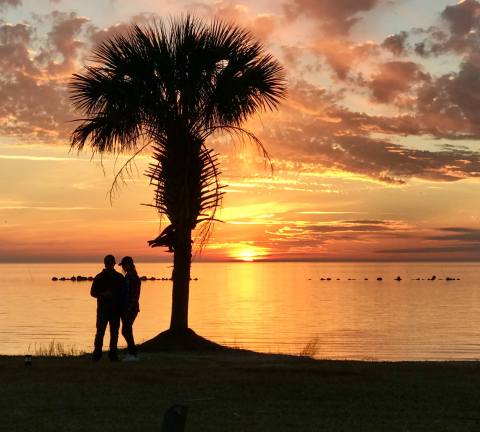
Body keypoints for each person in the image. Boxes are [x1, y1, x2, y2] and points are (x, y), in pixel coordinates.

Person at [90, 254, 125, 362]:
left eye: (110, 263)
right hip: (105, 310)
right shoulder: (102, 277)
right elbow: (92, 293)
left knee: (108, 333)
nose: (110, 264)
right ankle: (101, 355)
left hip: (111, 310)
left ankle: (105, 355)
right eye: (109, 263)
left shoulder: (118, 277)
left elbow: (93, 293)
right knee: (104, 333)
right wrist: (104, 294)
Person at [118, 256, 141, 361]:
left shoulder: (132, 277)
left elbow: (134, 296)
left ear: (128, 265)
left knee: (126, 330)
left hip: (130, 308)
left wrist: (128, 309)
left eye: (123, 265)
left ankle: (133, 353)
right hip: (127, 308)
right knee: (127, 330)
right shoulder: (129, 276)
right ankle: (133, 352)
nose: (122, 267)